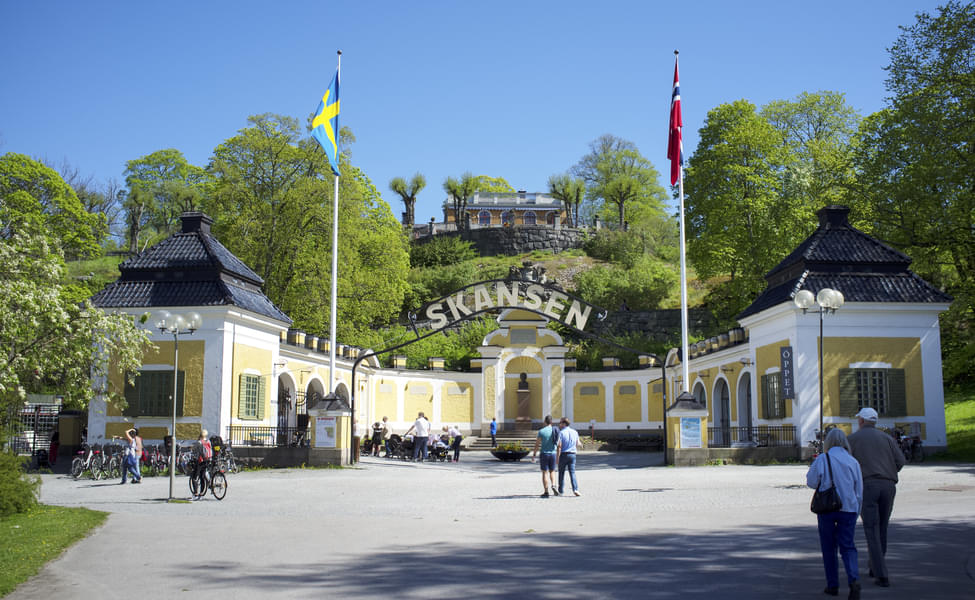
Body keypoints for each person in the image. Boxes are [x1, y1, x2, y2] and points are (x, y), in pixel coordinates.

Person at [848, 407, 905, 588]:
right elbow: (901, 461)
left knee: (871, 528)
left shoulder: (853, 439)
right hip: (888, 485)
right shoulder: (887, 438)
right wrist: (888, 471)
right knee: (882, 527)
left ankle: (881, 573)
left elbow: (847, 464)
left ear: (861, 421)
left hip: (867, 485)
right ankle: (875, 565)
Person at [806, 428, 863, 599]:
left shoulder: (823, 459)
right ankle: (853, 578)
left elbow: (811, 482)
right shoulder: (853, 461)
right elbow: (859, 491)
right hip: (849, 508)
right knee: (848, 546)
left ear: (828, 442)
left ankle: (832, 585)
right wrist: (856, 510)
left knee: (829, 547)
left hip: (827, 508)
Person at [531, 415, 560, 497]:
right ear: (551, 422)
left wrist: (534, 454)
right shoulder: (555, 431)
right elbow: (559, 444)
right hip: (553, 453)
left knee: (544, 472)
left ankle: (546, 491)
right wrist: (558, 454)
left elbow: (537, 444)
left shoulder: (541, 431)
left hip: (544, 454)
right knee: (552, 471)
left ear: (545, 422)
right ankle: (553, 485)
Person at [555, 417, 581, 496]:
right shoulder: (575, 432)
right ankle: (575, 489)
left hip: (563, 454)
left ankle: (561, 491)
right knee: (572, 473)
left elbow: (559, 446)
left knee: (561, 473)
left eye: (560, 423)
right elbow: (578, 443)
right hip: (572, 454)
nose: (559, 424)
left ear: (564, 424)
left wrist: (557, 458)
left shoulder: (561, 433)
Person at [192, 430, 213, 500]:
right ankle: (201, 494)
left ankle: (195, 494)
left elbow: (194, 450)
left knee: (195, 477)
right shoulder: (208, 441)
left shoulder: (199, 442)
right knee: (202, 477)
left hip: (200, 461)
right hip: (207, 460)